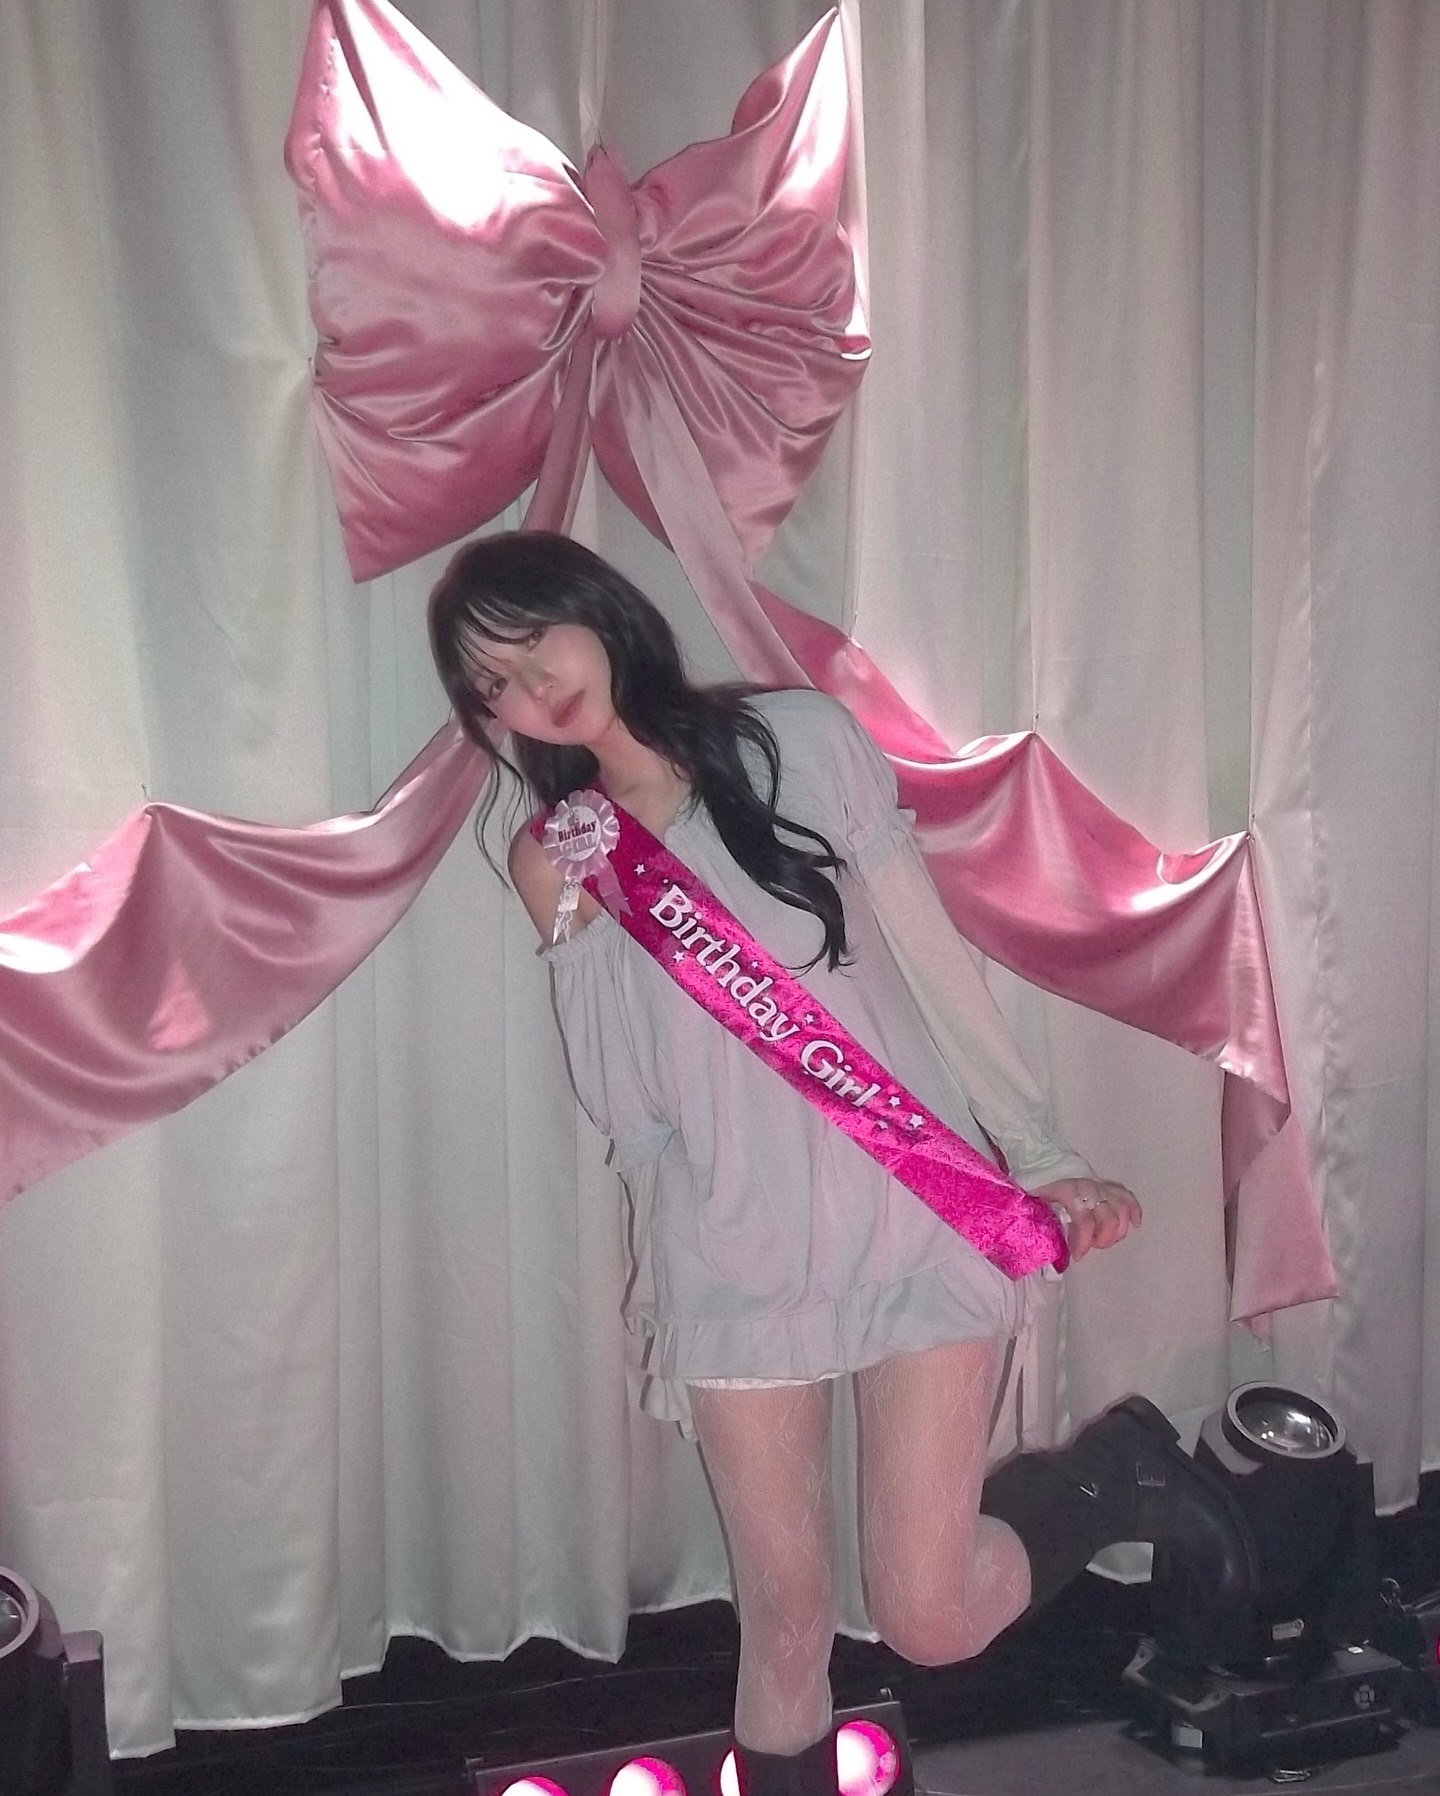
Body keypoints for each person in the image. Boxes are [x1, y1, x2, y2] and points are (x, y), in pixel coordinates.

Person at [428, 532, 1257, 1796]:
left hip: (912, 1207)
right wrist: (589, 916)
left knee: (927, 1612)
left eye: (535, 640)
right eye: (493, 683)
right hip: (733, 1245)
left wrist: (1038, 1150)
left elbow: (930, 960)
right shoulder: (559, 854)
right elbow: (625, 1107)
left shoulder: (798, 743)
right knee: (786, 1618)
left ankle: (1116, 1471)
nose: (531, 688)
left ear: (596, 610)